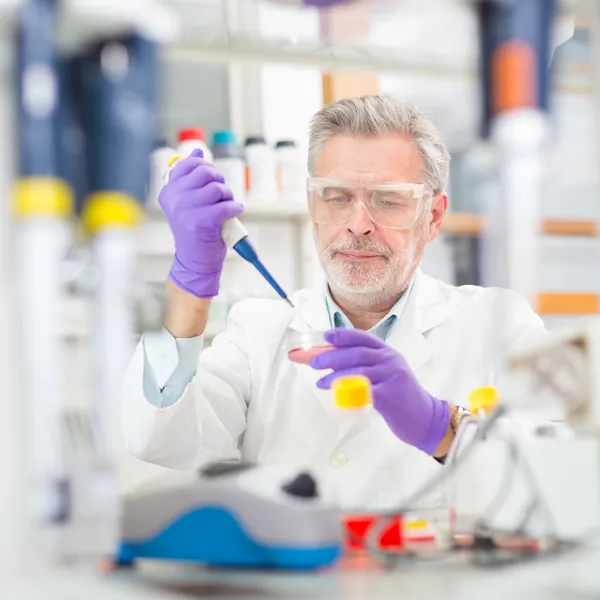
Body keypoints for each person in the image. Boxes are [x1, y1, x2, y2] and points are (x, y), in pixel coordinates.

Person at [121, 95, 546, 509]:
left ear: (432, 216)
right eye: (337, 197)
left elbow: (558, 480)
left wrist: (441, 427)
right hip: (293, 576)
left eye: (388, 200)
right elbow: (162, 439)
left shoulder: (501, 325)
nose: (358, 225)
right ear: (312, 202)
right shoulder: (259, 330)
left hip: (444, 580)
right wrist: (190, 277)